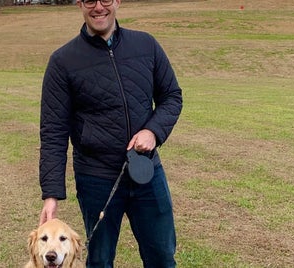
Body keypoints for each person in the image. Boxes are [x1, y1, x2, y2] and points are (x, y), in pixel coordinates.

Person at [38, 0, 183, 266]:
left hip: (146, 172)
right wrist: (51, 194)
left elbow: (172, 96)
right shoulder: (63, 61)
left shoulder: (146, 45)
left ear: (117, 1)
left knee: (162, 256)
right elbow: (53, 131)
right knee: (100, 260)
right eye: (90, 0)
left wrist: (153, 131)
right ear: (80, 4)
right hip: (96, 179)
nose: (98, 7)